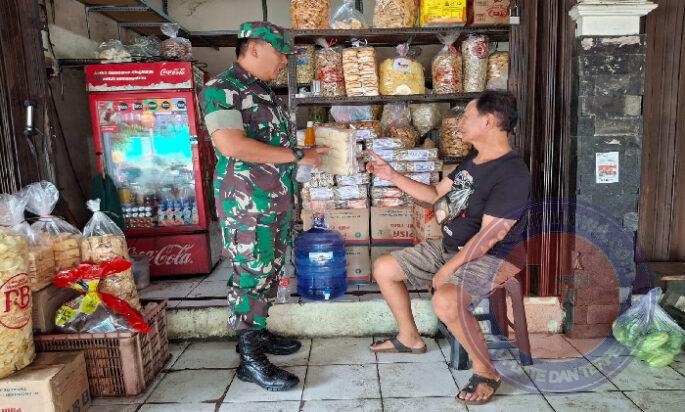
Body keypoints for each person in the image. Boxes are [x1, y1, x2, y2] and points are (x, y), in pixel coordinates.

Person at [367, 91, 530, 405]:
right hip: (452, 245)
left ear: (488, 121)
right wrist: (390, 175)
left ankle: (487, 372)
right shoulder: (474, 159)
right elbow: (433, 194)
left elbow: (488, 238)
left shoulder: (512, 173)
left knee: (445, 300)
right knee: (384, 267)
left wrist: (446, 270)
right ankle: (409, 338)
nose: (459, 123)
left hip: (496, 257)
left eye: (466, 116)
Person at [199, 21, 326, 392]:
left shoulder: (263, 91)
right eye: (280, 52)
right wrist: (297, 155)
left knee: (268, 270)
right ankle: (250, 359)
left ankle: (258, 332)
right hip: (247, 203)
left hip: (274, 200)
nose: (285, 60)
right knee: (251, 274)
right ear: (254, 48)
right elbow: (231, 146)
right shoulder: (222, 89)